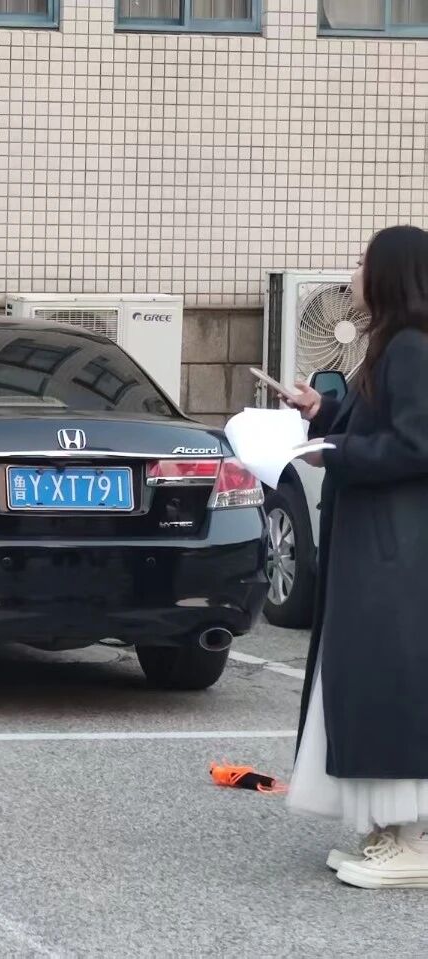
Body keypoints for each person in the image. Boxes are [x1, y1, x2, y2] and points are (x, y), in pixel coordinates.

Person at [282, 224, 428, 888]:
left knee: (387, 678)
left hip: (395, 550)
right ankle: (390, 831)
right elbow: (379, 428)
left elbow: (416, 444)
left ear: (391, 273)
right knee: (369, 678)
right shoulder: (391, 344)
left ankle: (413, 838)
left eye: (363, 261)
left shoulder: (411, 348)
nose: (352, 272)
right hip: (379, 544)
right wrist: (322, 414)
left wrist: (334, 453)